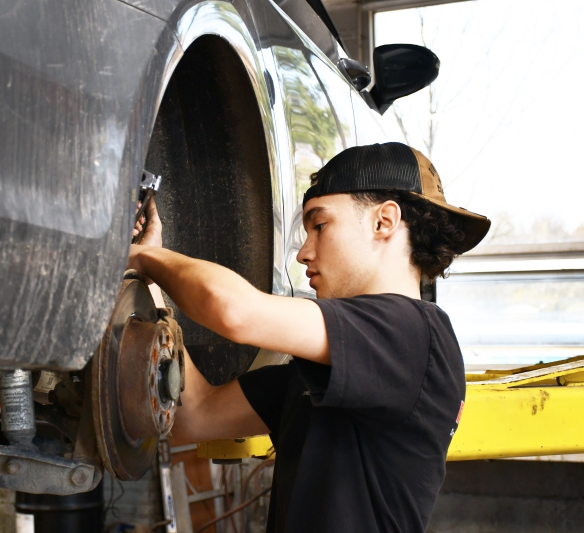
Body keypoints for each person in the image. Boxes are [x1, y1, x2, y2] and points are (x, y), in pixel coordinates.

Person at [128, 142, 491, 532]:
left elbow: (234, 312)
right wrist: (146, 279)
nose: (303, 253)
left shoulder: (415, 335)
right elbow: (194, 415)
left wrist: (146, 258)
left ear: (384, 222)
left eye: (319, 225)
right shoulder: (326, 371)